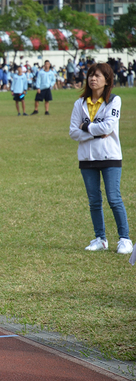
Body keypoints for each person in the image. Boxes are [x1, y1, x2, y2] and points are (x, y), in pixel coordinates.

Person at [69, 62, 133, 255]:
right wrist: (95, 132)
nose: (93, 79)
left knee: (114, 198)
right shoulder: (79, 104)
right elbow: (73, 132)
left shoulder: (114, 101)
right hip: (87, 159)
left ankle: (124, 239)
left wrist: (86, 128)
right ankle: (100, 238)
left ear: (107, 80)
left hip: (110, 156)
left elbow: (108, 127)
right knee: (94, 200)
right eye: (90, 75)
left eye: (97, 76)